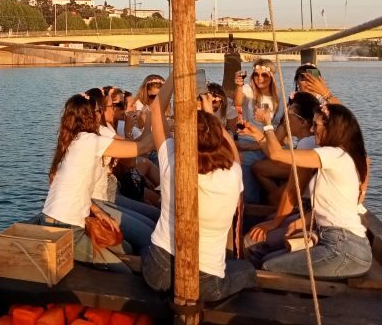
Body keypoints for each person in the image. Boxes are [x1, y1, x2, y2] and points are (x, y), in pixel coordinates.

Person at [141, 75, 256, 301]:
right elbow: (232, 152)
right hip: (206, 279)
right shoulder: (231, 174)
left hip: (161, 269)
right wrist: (210, 116)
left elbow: (156, 110)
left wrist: (175, 76)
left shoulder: (173, 161)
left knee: (148, 250)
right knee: (248, 271)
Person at [240, 103, 372, 279]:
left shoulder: (334, 155)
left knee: (268, 265)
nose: (312, 129)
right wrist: (303, 221)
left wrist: (267, 123)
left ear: (332, 129)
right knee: (267, 257)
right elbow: (332, 203)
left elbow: (277, 155)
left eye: (316, 125)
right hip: (329, 236)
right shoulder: (337, 156)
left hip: (343, 247)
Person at [39, 91, 155, 273]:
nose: (100, 114)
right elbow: (141, 148)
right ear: (90, 116)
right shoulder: (90, 141)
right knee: (123, 272)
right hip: (64, 226)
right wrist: (159, 125)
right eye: (98, 110)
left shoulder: (72, 140)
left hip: (59, 219)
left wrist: (99, 212)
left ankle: (110, 262)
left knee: (126, 247)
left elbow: (75, 189)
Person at [90, 87, 159, 254]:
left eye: (119, 105)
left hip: (109, 192)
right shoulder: (101, 133)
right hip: (101, 197)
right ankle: (150, 269)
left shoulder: (105, 129)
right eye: (114, 105)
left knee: (155, 217)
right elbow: (131, 160)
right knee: (149, 233)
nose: (117, 109)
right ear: (98, 110)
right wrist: (156, 121)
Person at [250, 91, 319, 206]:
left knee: (271, 198)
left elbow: (277, 157)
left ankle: (281, 206)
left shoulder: (307, 143)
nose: (285, 118)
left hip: (307, 197)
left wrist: (267, 123)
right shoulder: (308, 140)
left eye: (289, 114)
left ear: (303, 122)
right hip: (300, 181)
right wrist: (257, 136)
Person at [233, 59, 284, 202]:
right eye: (256, 74)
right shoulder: (248, 90)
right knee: (247, 166)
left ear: (272, 76)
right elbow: (238, 101)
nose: (260, 78)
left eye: (264, 75)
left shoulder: (279, 96)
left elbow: (282, 124)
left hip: (269, 143)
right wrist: (238, 86)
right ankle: (251, 205)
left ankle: (274, 204)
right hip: (249, 140)